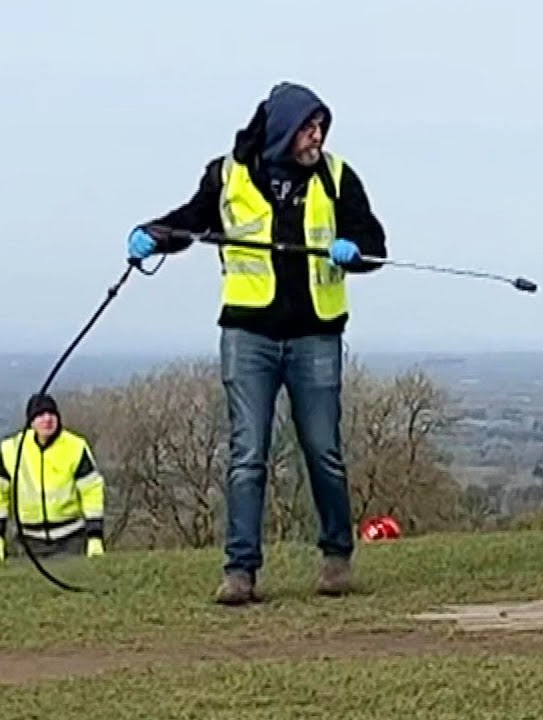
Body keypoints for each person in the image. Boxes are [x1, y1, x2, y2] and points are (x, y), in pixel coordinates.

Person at [125, 81, 387, 604]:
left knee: (324, 452)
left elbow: (376, 247)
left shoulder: (338, 177)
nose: (317, 138)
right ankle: (239, 572)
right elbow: (192, 222)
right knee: (247, 454)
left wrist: (353, 251)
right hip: (248, 337)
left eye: (321, 128)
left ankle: (337, 557)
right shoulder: (225, 175)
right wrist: (152, 234)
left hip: (316, 336)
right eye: (308, 128)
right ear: (283, 129)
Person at [0, 393, 106, 563]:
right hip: (28, 540)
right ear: (31, 422)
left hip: (71, 538)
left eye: (52, 414)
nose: (47, 419)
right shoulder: (11, 449)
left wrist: (95, 536)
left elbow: (92, 491)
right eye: (40, 415)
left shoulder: (75, 447)